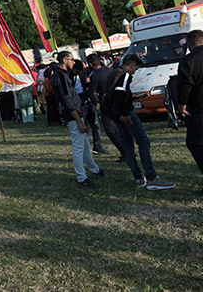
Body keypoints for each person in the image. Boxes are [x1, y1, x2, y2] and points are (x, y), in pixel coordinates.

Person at [102, 54, 175, 190]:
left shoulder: (113, 73)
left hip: (114, 113)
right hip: (125, 113)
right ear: (131, 65)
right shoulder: (124, 75)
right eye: (135, 68)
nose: (135, 72)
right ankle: (152, 177)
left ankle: (138, 177)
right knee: (143, 141)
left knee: (128, 144)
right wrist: (125, 113)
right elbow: (120, 94)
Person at [52, 51, 105, 187]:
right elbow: (66, 100)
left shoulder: (64, 75)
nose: (73, 62)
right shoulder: (60, 77)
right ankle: (81, 178)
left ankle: (95, 169)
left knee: (85, 144)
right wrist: (79, 119)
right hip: (72, 115)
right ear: (64, 60)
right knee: (78, 147)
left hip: (76, 112)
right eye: (71, 60)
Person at [176, 29, 203, 195]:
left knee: (196, 144)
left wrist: (181, 105)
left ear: (190, 43)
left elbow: (185, 84)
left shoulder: (189, 60)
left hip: (199, 109)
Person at [86, 53, 126, 161]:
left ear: (90, 64)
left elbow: (90, 92)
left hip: (105, 100)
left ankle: (124, 151)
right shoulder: (108, 70)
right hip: (114, 98)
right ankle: (126, 149)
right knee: (117, 125)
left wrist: (94, 103)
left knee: (109, 128)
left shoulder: (94, 75)